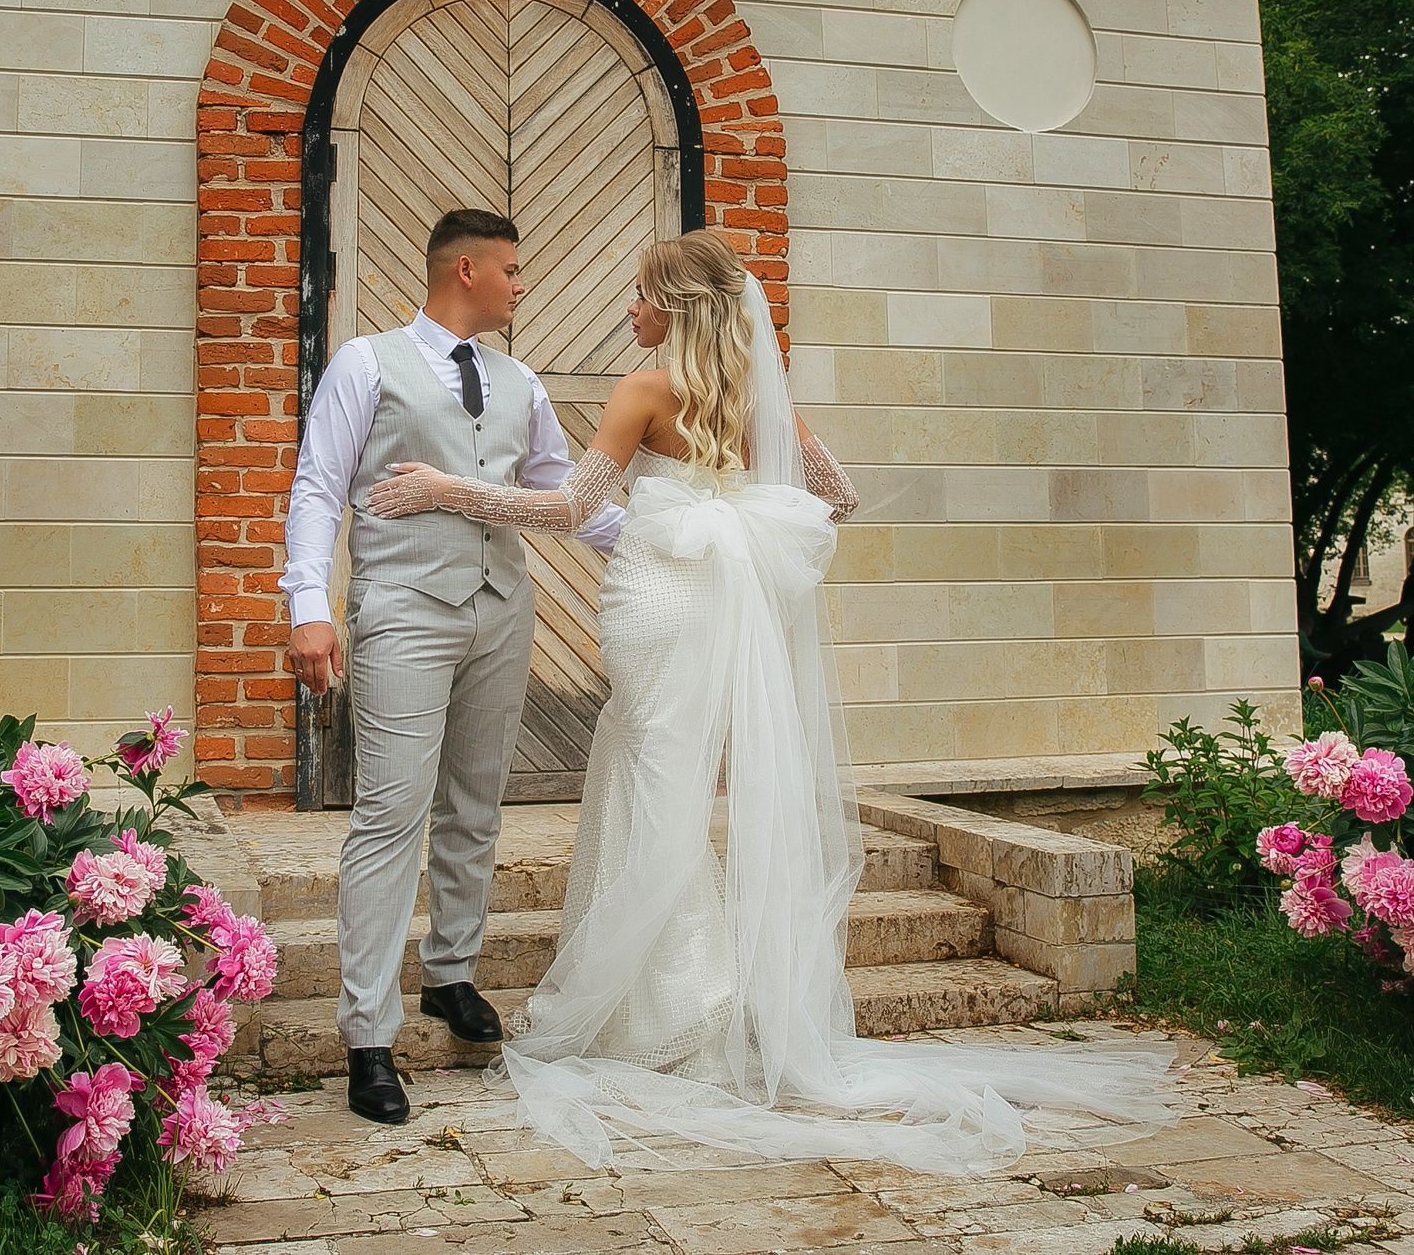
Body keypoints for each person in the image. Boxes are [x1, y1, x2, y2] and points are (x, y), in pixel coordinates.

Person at [366, 230, 1176, 1174]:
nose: (628, 311)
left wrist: (443, 489)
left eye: (639, 296)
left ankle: (670, 999)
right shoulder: (762, 399)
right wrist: (743, 530)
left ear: (679, 307)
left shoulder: (643, 391)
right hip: (715, 604)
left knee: (645, 780)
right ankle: (679, 989)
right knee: (673, 783)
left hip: (659, 601)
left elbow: (568, 508)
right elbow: (837, 495)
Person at [282, 208, 624, 1127]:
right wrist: (308, 607)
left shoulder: (521, 382)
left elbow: (565, 500)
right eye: (511, 270)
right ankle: (367, 1033)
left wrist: (668, 544)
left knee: (476, 801)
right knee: (391, 814)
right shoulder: (367, 360)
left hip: (503, 614)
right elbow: (318, 484)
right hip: (402, 615)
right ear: (464, 269)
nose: (522, 284)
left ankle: (453, 973)